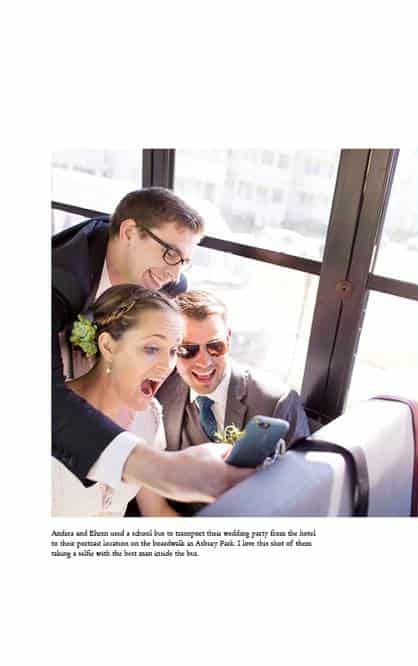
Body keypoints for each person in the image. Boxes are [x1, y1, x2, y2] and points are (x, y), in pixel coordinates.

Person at [53, 188, 250, 503]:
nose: (175, 274)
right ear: (130, 232)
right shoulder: (56, 281)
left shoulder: (169, 284)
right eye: (170, 254)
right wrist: (162, 470)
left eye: (184, 261)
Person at [53, 285, 183, 516]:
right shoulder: (53, 420)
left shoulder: (151, 418)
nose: (167, 366)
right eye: (152, 348)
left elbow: (157, 511)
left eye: (173, 350)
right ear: (108, 346)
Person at [156, 290, 310, 451]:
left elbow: (301, 473)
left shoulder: (276, 404)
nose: (204, 362)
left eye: (215, 347)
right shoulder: (162, 388)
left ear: (228, 338)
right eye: (188, 350)